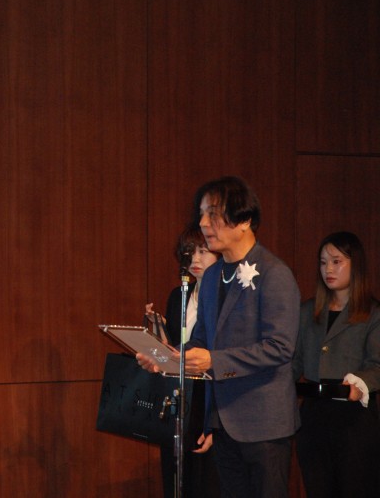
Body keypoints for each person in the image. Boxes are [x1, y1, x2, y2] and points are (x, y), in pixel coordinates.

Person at [138, 176, 300, 498]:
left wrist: (214, 360)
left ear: (244, 219)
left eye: (212, 214)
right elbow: (201, 341)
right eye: (202, 214)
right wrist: (165, 359)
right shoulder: (212, 276)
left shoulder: (274, 273)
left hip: (264, 424)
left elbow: (280, 347)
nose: (203, 223)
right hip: (223, 421)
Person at [292, 231, 380, 498]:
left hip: (354, 419)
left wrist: (360, 384)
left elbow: (377, 364)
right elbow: (294, 363)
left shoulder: (373, 313)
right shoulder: (308, 311)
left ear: (356, 264)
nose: (328, 269)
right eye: (323, 262)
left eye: (336, 261)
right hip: (314, 415)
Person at [147, 225, 221, 498]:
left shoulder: (226, 298)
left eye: (203, 251)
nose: (195, 259)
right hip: (180, 397)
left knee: (207, 482)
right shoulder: (178, 295)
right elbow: (175, 350)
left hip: (209, 396)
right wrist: (157, 332)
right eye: (189, 252)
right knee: (177, 479)